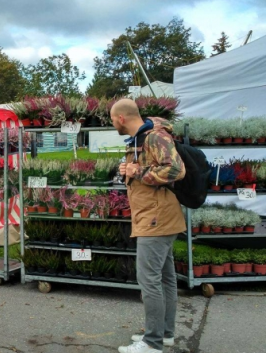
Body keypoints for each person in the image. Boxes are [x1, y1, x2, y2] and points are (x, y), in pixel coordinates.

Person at [111, 99, 186, 353]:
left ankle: (152, 343)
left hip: (157, 218)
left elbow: (176, 169)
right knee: (165, 278)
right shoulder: (139, 139)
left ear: (121, 118)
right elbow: (144, 170)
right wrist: (128, 171)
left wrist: (139, 170)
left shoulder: (154, 137)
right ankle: (164, 334)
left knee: (149, 280)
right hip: (153, 216)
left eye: (112, 120)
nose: (112, 124)